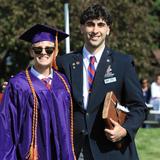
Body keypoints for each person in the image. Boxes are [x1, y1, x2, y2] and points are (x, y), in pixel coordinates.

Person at [57, 4, 147, 160]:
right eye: (90, 24)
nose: (95, 30)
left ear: (108, 30)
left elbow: (139, 107)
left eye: (101, 25)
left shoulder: (122, 63)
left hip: (111, 150)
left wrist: (124, 130)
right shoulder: (64, 63)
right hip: (76, 150)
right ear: (81, 28)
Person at [0, 24, 75, 160]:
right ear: (31, 52)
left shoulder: (64, 82)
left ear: (56, 51)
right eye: (38, 49)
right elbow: (6, 127)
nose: (44, 53)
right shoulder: (18, 85)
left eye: (49, 49)